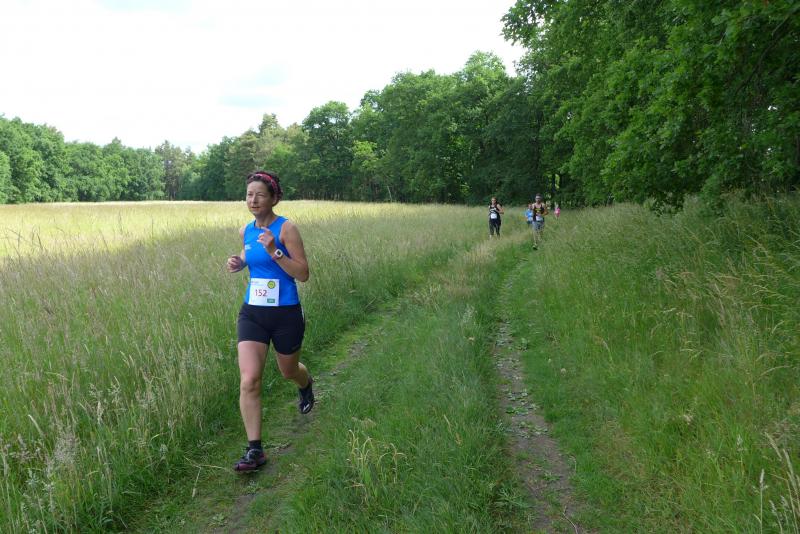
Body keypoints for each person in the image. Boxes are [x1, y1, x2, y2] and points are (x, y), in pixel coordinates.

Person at [226, 170, 313, 472]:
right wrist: (239, 262)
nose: (253, 200)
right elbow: (248, 254)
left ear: (274, 198)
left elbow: (303, 273)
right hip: (253, 313)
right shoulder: (245, 230)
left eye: (260, 195)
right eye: (249, 194)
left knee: (289, 371)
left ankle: (305, 383)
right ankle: (255, 450)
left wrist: (274, 250)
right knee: (249, 379)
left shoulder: (287, 228)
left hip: (286, 313)